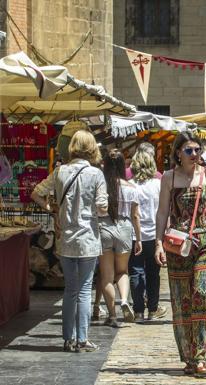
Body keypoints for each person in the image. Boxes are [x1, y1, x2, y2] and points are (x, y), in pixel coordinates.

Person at [154, 131, 206, 378]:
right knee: (182, 302)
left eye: (198, 150)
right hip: (179, 246)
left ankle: (202, 356)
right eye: (189, 150)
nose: (195, 154)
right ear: (178, 153)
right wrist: (157, 242)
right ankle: (188, 356)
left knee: (203, 294)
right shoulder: (169, 177)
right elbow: (162, 212)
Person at [31, 130, 108, 352]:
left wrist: (53, 210)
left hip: (65, 239)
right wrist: (92, 209)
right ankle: (82, 339)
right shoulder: (96, 174)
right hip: (88, 239)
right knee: (84, 290)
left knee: (70, 290)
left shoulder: (60, 172)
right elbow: (102, 208)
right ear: (92, 148)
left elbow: (36, 193)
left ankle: (68, 338)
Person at [99, 149, 142, 327]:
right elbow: (135, 216)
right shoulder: (131, 187)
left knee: (107, 276)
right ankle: (124, 300)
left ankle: (113, 316)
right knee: (122, 271)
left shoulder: (101, 186)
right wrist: (138, 238)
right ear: (123, 165)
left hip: (104, 228)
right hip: (124, 228)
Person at [128, 150, 166, 323]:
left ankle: (138, 312)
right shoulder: (158, 185)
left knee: (136, 271)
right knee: (153, 273)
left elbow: (132, 214)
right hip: (155, 234)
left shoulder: (130, 185)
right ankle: (152, 308)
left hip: (135, 236)